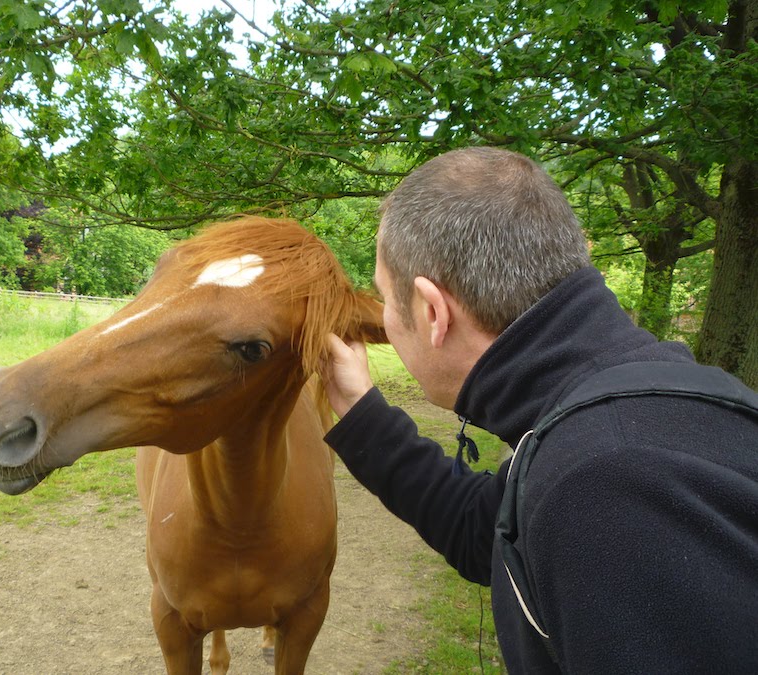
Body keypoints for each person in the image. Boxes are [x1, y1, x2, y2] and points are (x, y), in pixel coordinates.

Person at [321, 147, 758, 673]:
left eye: (386, 298)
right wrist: (360, 409)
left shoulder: (608, 479)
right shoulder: (633, 412)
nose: (386, 318)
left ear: (432, 311)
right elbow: (487, 534)